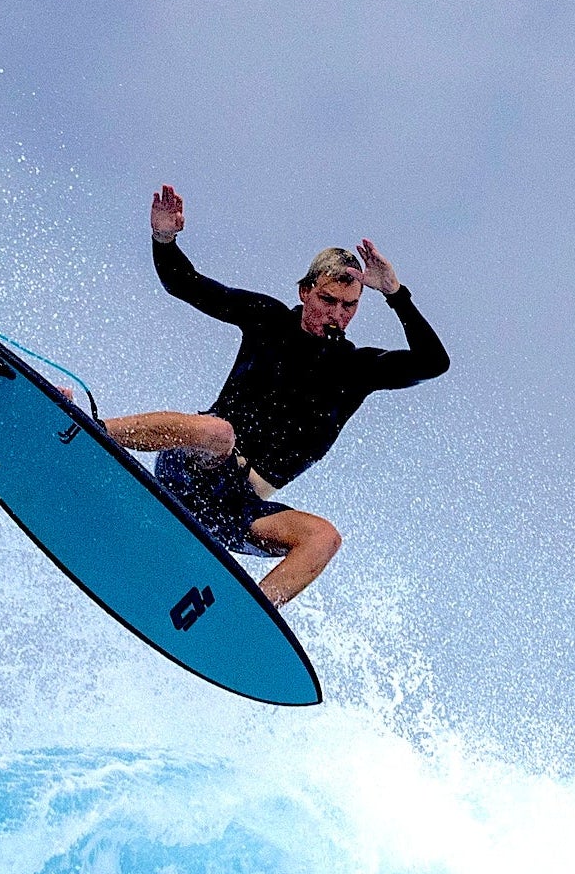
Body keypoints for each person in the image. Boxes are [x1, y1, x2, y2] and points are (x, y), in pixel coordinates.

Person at [103, 185, 451, 606]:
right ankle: (90, 425)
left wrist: (396, 294)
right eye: (327, 300)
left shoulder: (358, 370)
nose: (337, 313)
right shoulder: (267, 319)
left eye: (349, 306)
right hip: (194, 464)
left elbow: (434, 363)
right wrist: (164, 239)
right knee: (218, 433)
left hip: (235, 508)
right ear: (305, 292)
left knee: (323, 537)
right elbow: (185, 284)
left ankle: (243, 617)